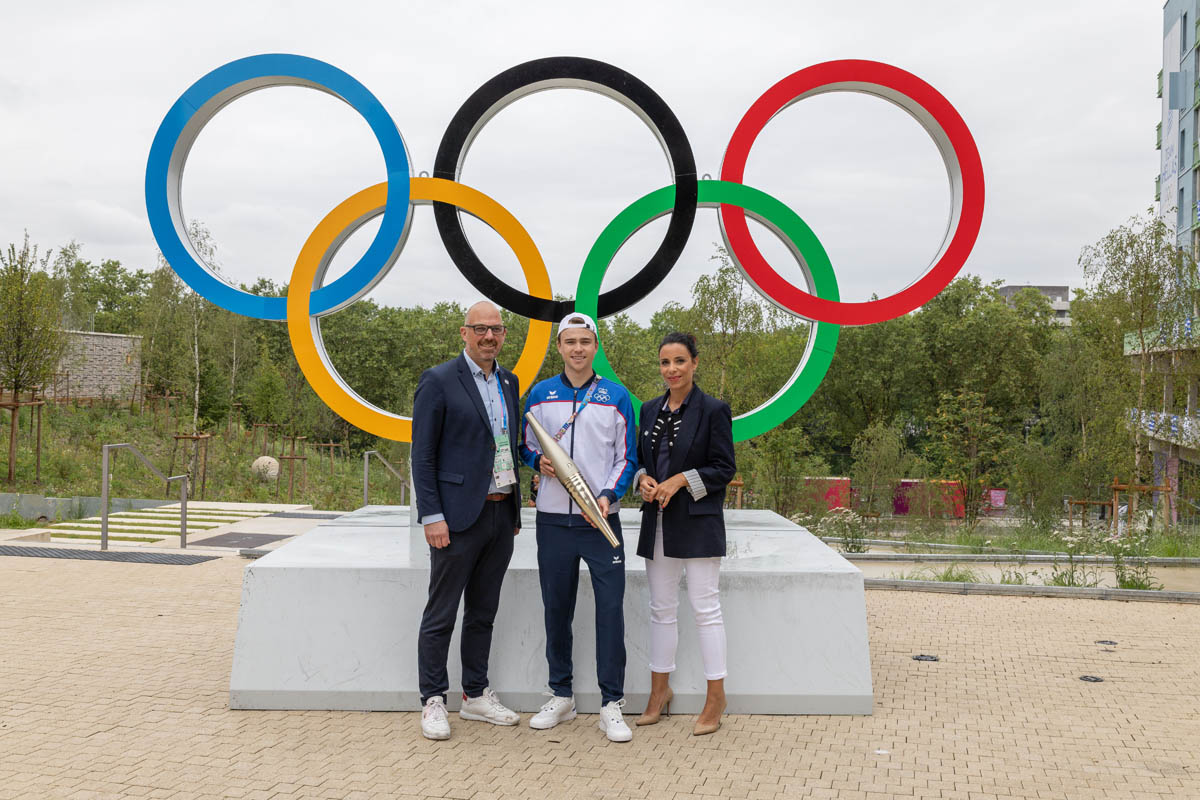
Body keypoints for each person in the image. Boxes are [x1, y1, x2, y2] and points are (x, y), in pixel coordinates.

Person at [519, 312, 638, 742]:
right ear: (560, 347)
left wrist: (607, 495)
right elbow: (525, 446)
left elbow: (629, 457)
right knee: (557, 609)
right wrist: (537, 463)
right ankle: (561, 694)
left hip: (601, 520)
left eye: (585, 342)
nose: (577, 349)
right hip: (552, 521)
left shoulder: (616, 396)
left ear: (595, 345)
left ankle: (611, 703)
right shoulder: (540, 393)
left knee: (610, 610)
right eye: (569, 342)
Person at [411, 301, 523, 741]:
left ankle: (475, 695)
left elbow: (508, 447)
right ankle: (433, 699)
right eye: (480, 329)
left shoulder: (510, 382)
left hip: (500, 513)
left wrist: (513, 508)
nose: (489, 337)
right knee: (441, 612)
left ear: (503, 335)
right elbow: (423, 456)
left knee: (483, 611)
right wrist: (432, 515)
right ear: (464, 332)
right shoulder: (438, 381)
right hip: (455, 520)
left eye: (496, 329)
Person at [633, 332, 736, 736]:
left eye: (679, 361)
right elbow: (641, 462)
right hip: (656, 521)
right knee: (660, 609)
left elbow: (723, 467)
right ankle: (660, 692)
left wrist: (679, 480)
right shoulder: (648, 409)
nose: (671, 370)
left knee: (705, 609)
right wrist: (643, 479)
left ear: (695, 363)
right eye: (664, 363)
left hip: (697, 521)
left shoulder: (713, 410)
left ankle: (716, 697)